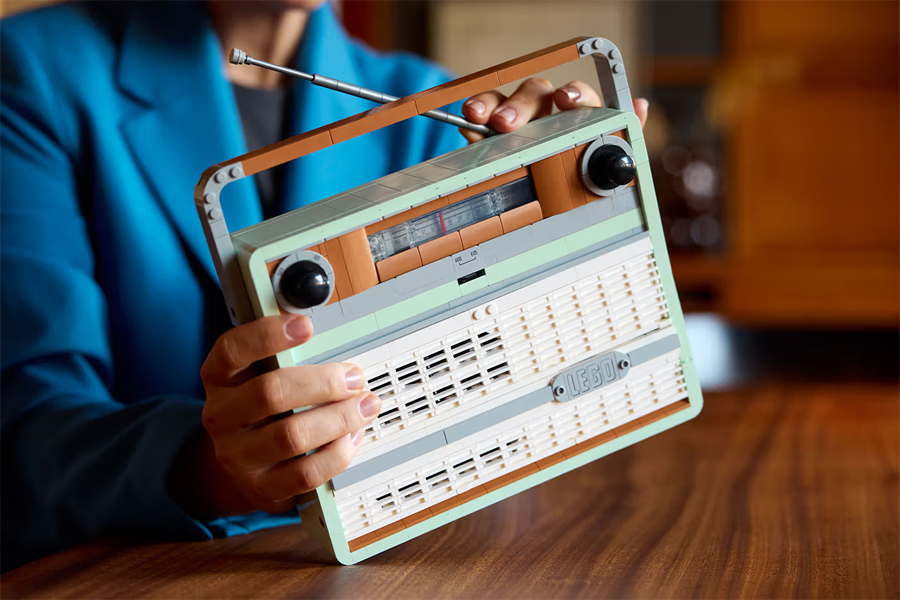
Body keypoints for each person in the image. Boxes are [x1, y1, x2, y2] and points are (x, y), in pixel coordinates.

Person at [0, 0, 649, 570]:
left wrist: (579, 227)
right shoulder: (36, 69)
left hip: (409, 565)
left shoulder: (428, 105)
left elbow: (509, 393)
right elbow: (26, 437)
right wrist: (208, 470)